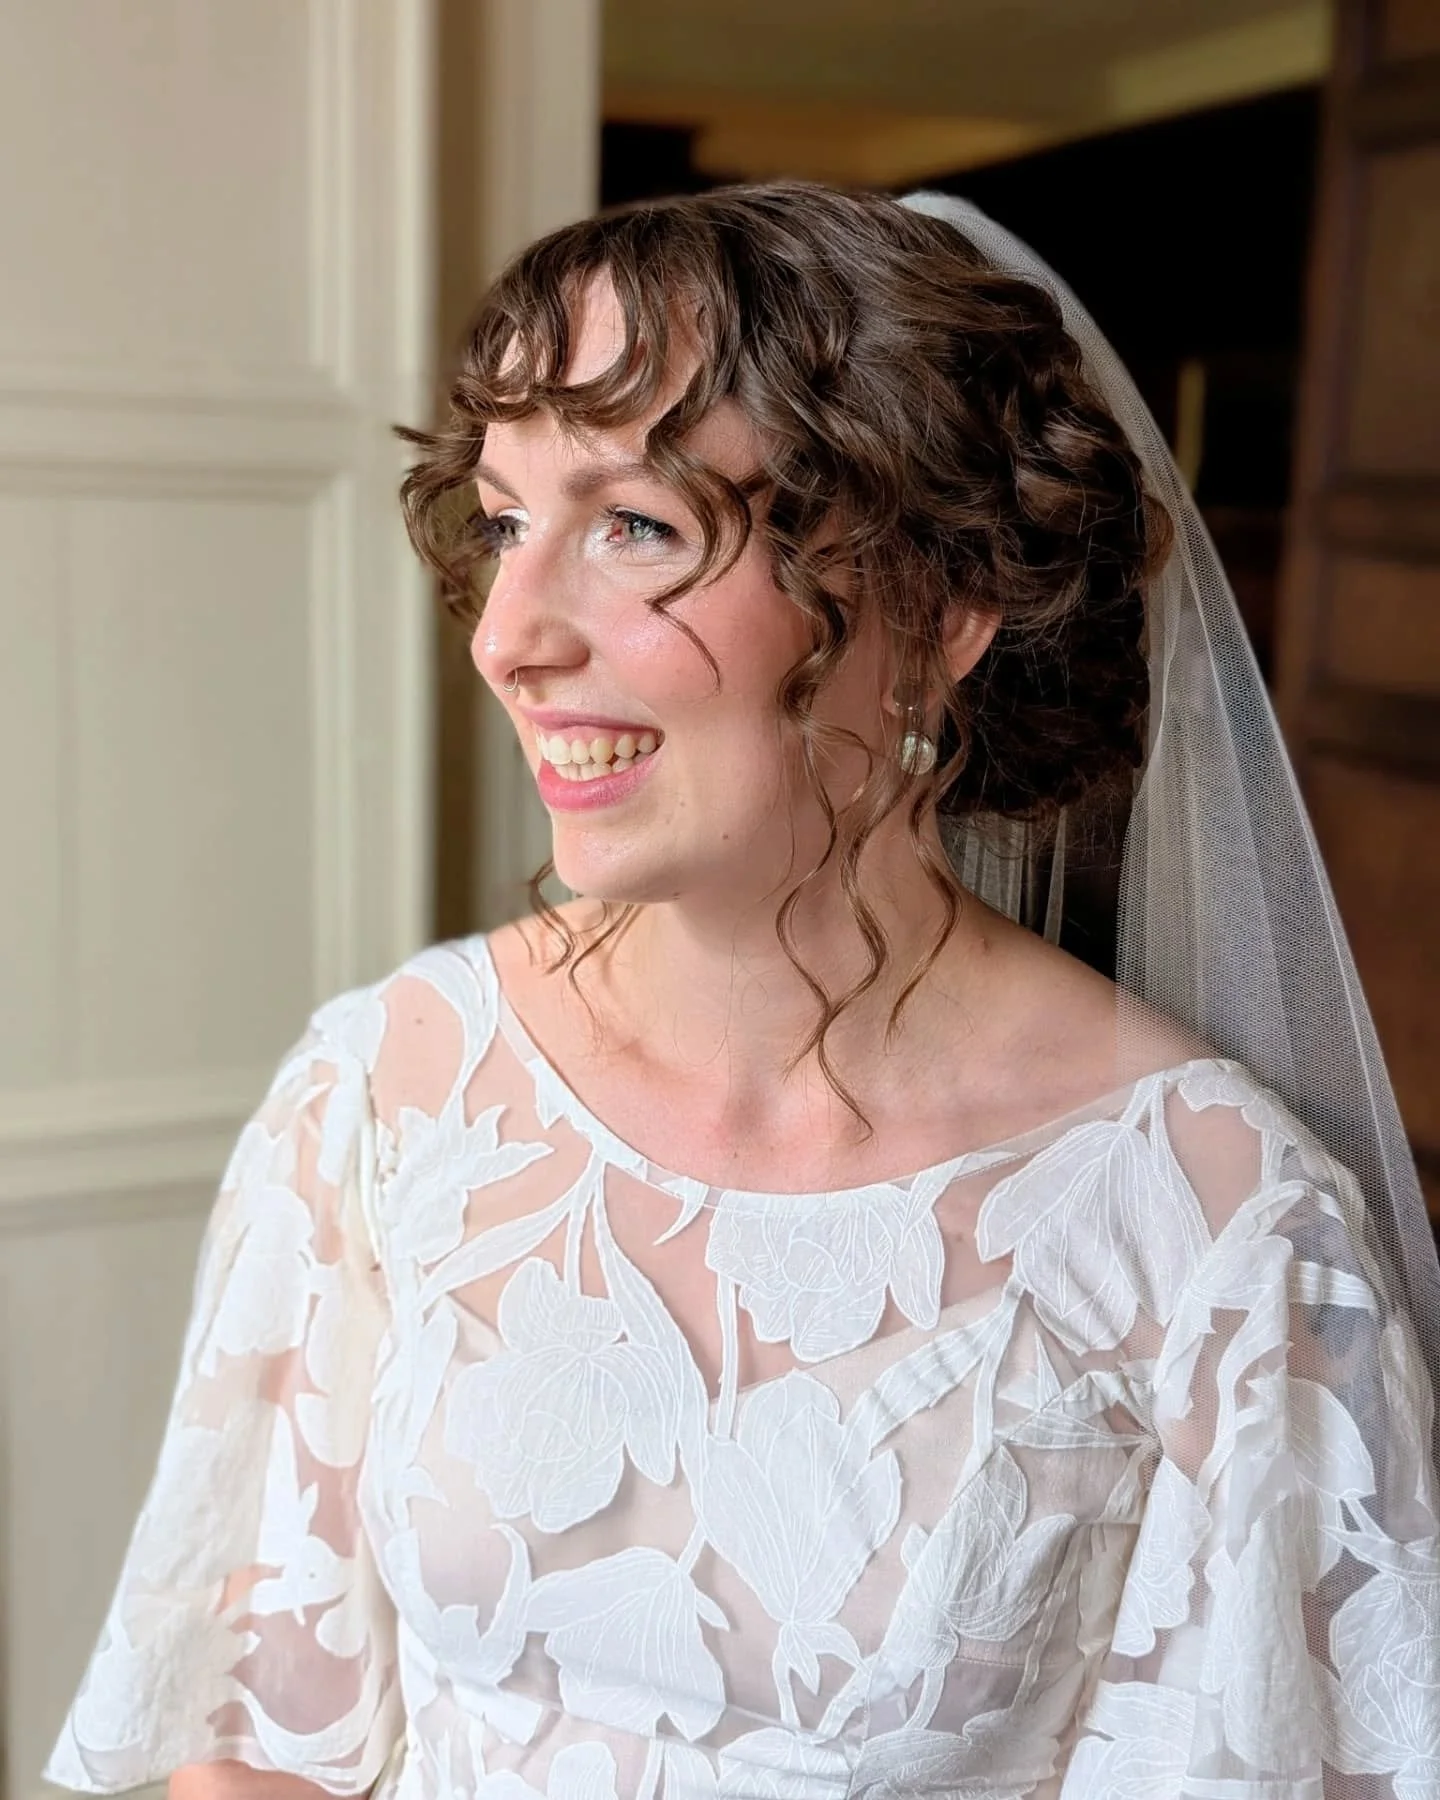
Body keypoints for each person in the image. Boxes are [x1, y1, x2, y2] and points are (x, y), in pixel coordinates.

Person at [45, 183, 1440, 1800]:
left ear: (940, 600)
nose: (508, 634)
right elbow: (246, 1747)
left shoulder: (1214, 1230)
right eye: (505, 523)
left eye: (634, 525)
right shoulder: (387, 1096)